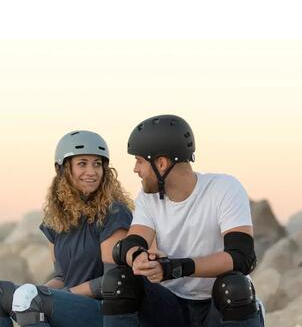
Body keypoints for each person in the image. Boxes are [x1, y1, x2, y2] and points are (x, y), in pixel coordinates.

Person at [102, 114, 265, 327]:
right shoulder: (148, 198)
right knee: (119, 281)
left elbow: (242, 257)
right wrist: (138, 257)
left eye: (139, 161)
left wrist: (176, 268)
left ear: (161, 163)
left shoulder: (224, 188)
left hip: (218, 308)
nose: (136, 169)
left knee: (234, 287)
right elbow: (131, 243)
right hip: (172, 307)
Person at [0, 130, 134, 327]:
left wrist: (56, 295)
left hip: (104, 311)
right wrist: (37, 292)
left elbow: (114, 281)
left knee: (29, 298)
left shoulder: (114, 213)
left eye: (97, 164)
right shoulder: (57, 219)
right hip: (69, 305)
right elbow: (61, 277)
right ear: (63, 169)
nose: (92, 172)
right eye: (82, 163)